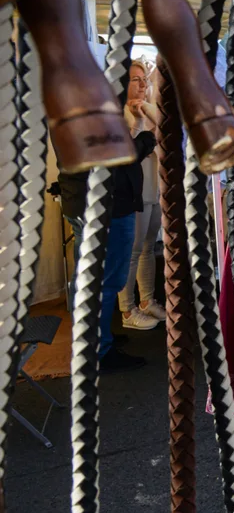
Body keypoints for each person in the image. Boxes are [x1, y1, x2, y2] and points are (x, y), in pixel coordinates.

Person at [59, 74, 159, 374]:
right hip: (105, 208)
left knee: (94, 279)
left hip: (95, 204)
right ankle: (98, 351)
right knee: (104, 281)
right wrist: (149, 137)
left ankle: (98, 340)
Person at [117, 60, 165, 329]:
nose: (142, 84)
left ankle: (147, 300)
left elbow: (161, 138)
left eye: (144, 79)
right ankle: (127, 310)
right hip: (134, 191)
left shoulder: (148, 109)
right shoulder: (121, 114)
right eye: (135, 80)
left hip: (153, 187)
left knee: (149, 246)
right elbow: (131, 151)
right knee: (132, 250)